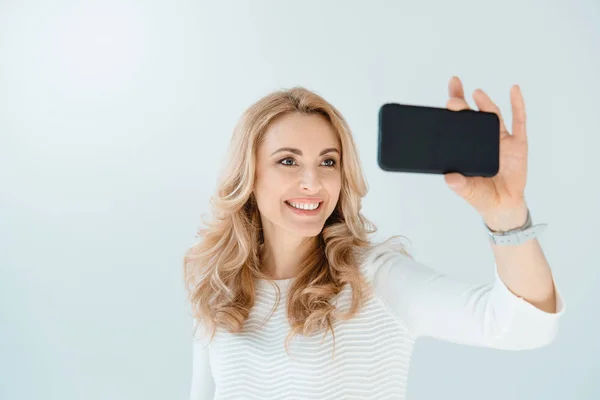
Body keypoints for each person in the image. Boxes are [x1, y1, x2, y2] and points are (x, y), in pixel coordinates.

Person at [183, 77, 565, 400]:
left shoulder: (375, 278)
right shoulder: (216, 284)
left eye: (328, 162)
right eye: (288, 161)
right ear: (248, 174)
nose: (313, 182)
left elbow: (523, 326)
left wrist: (507, 215)